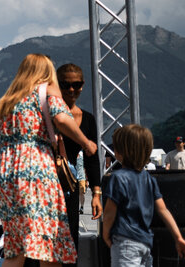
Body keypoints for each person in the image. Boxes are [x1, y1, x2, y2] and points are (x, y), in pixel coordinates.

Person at [0, 54, 97, 266]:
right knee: (50, 243)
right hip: (34, 170)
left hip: (5, 173)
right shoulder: (47, 91)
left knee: (16, 248)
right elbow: (61, 118)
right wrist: (86, 142)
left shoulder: (7, 102)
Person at [103, 124, 185, 265]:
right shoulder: (148, 179)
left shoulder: (118, 177)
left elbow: (109, 212)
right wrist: (178, 237)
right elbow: (163, 210)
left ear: (121, 151)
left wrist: (106, 234)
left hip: (125, 242)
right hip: (145, 242)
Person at [56, 63, 104, 262]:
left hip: (70, 184)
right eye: (65, 84)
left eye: (76, 84)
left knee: (70, 240)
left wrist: (96, 193)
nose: (71, 89)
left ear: (83, 85)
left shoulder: (88, 119)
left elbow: (92, 159)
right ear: (57, 85)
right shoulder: (48, 115)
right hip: (46, 183)